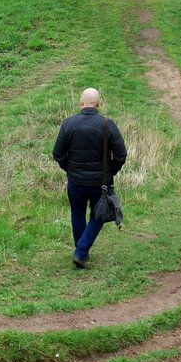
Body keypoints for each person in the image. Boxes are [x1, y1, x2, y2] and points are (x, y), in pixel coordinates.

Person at [52, 87, 127, 269]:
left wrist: (69, 170)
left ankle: (81, 250)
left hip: (75, 182)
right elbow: (121, 154)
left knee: (77, 213)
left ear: (81, 102)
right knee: (98, 216)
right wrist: (110, 173)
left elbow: (57, 153)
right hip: (100, 184)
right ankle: (81, 251)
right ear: (99, 104)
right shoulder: (108, 125)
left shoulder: (68, 124)